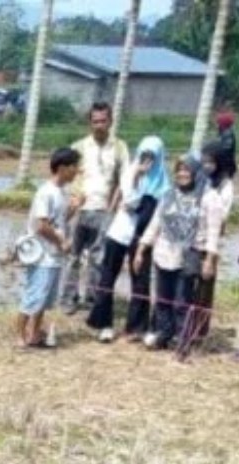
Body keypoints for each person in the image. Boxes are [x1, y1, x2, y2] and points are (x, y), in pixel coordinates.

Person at [88, 135, 167, 343]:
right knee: (107, 277)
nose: (147, 160)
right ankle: (104, 324)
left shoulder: (163, 184)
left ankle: (136, 327)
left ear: (160, 157)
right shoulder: (129, 172)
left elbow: (159, 214)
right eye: (144, 154)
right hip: (119, 232)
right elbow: (130, 200)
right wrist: (136, 176)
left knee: (140, 281)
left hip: (142, 238)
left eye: (152, 156)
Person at [135, 153, 205, 351]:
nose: (183, 174)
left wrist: (207, 255)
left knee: (182, 302)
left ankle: (183, 340)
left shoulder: (203, 199)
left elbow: (208, 229)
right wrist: (142, 248)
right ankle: (164, 334)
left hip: (186, 257)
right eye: (179, 170)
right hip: (163, 254)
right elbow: (155, 224)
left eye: (187, 170)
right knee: (163, 300)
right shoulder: (167, 196)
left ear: (195, 173)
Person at [64, 103, 128, 311]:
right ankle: (69, 298)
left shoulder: (119, 147)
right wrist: (72, 203)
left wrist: (112, 208)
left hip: (104, 210)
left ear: (110, 121)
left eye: (103, 121)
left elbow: (123, 181)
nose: (99, 125)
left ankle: (92, 298)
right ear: (89, 123)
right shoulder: (79, 147)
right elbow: (68, 177)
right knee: (73, 256)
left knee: (97, 257)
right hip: (79, 209)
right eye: (95, 121)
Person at [176, 138, 235, 357]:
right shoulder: (199, 182)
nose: (207, 165)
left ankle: (197, 335)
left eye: (211, 161)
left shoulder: (224, 186)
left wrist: (210, 255)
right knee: (185, 292)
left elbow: (220, 219)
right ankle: (183, 333)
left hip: (209, 245)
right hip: (191, 244)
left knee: (203, 292)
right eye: (205, 161)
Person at [17, 147, 81, 349]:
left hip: (53, 255)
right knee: (33, 296)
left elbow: (59, 221)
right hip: (42, 255)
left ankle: (35, 334)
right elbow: (42, 226)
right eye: (73, 167)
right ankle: (20, 336)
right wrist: (62, 242)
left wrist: (74, 208)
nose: (76, 171)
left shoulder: (61, 192)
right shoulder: (46, 192)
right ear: (62, 168)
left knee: (44, 299)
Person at [213, 109, 238, 181]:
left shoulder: (227, 134)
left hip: (226, 166)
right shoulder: (224, 133)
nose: (216, 125)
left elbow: (225, 149)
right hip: (226, 165)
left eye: (218, 123)